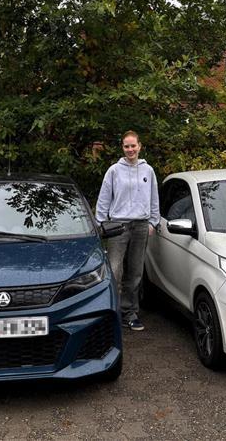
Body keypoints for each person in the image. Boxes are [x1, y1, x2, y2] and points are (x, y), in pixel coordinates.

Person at [96, 130, 160, 331]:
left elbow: (154, 198)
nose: (130, 149)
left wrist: (152, 222)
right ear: (122, 148)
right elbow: (104, 198)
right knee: (114, 270)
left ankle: (129, 313)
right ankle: (109, 313)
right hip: (118, 226)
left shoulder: (148, 171)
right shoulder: (114, 170)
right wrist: (101, 222)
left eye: (133, 145)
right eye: (126, 146)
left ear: (140, 146)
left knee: (135, 273)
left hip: (141, 226)